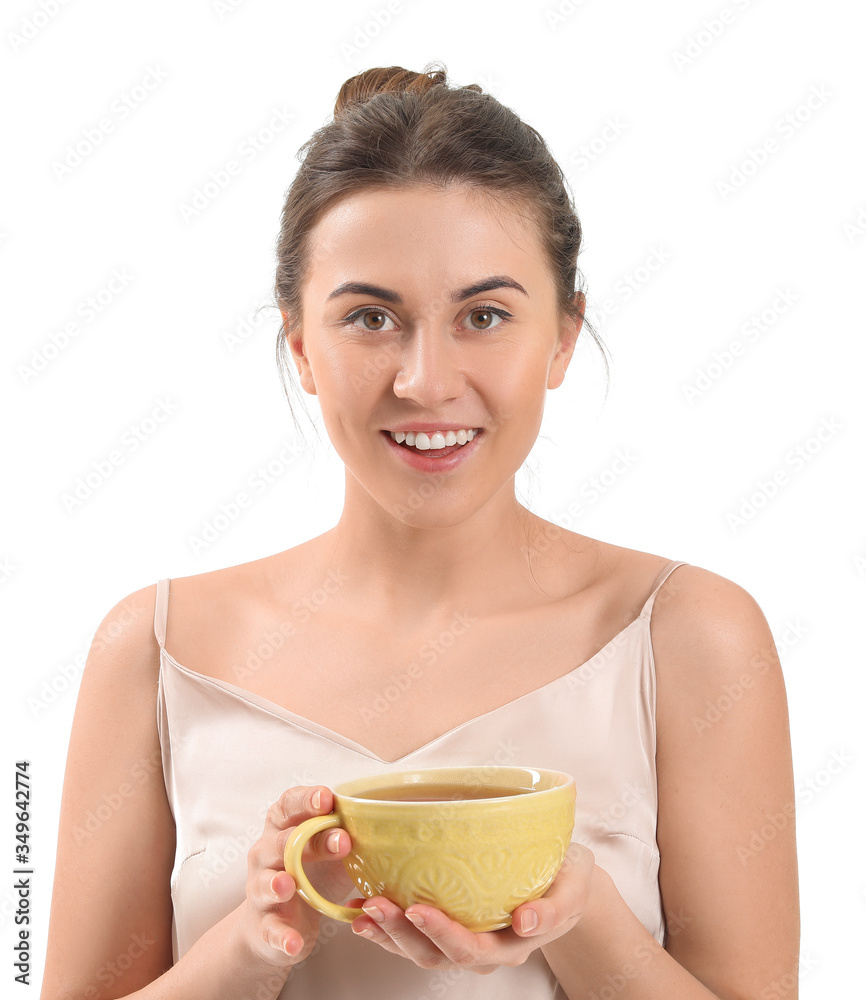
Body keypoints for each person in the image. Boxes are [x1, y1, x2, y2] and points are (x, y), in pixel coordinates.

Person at [41, 63, 799, 999]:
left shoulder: (690, 637)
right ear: (301, 346)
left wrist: (580, 917)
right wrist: (255, 941)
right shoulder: (152, 649)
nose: (426, 381)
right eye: (370, 318)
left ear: (563, 336)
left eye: (484, 315)